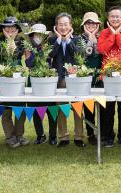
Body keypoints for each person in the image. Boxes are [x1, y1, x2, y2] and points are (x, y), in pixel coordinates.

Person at [98, 6, 121, 147]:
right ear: (108, 18)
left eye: (117, 16)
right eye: (112, 16)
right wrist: (112, 35)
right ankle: (109, 136)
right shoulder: (103, 33)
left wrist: (117, 34)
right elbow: (102, 50)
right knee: (108, 109)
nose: (115, 19)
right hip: (108, 76)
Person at [48, 13, 85, 147]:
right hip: (58, 79)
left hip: (74, 79)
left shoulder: (77, 39)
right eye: (60, 24)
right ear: (56, 26)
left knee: (77, 107)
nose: (63, 27)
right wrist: (59, 39)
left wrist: (68, 40)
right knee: (61, 108)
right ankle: (63, 137)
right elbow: (51, 54)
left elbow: (78, 54)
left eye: (65, 24)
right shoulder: (52, 40)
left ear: (70, 26)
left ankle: (79, 137)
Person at [0, 17, 30, 148]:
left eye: (13, 28)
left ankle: (19, 135)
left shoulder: (21, 41)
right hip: (4, 75)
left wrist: (13, 40)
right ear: (3, 29)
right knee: (6, 110)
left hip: (17, 76)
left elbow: (17, 55)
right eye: (7, 28)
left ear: (17, 29)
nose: (10, 30)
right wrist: (9, 40)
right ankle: (10, 137)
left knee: (20, 108)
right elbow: (6, 55)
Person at [77, 12, 103, 145]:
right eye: (88, 23)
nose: (91, 25)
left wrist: (94, 38)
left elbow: (100, 52)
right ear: (84, 25)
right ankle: (91, 132)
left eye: (93, 23)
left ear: (98, 24)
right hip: (85, 76)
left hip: (100, 74)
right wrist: (89, 38)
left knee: (103, 106)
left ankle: (103, 132)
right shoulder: (79, 39)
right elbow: (84, 54)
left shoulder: (103, 36)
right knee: (89, 107)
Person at [24, 23, 51, 144]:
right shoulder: (28, 48)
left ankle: (53, 135)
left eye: (41, 35)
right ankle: (40, 134)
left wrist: (44, 50)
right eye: (36, 34)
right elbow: (29, 64)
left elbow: (50, 63)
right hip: (33, 80)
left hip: (47, 80)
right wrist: (32, 51)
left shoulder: (49, 47)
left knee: (51, 109)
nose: (38, 36)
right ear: (32, 35)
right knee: (35, 109)